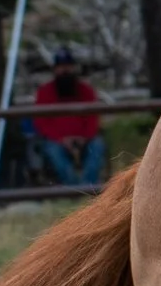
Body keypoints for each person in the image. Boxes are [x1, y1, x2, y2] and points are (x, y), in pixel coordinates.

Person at [31, 48, 107, 187]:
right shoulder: (44, 93)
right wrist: (61, 139)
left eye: (68, 66)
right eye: (61, 67)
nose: (65, 71)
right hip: (56, 140)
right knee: (53, 151)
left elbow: (93, 118)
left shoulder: (86, 91)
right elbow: (42, 122)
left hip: (84, 138)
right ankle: (71, 188)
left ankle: (88, 187)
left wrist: (84, 137)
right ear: (55, 69)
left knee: (97, 146)